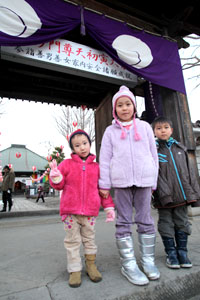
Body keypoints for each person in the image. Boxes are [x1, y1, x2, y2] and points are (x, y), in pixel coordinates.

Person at [99, 85, 160, 286]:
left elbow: (153, 154)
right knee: (124, 220)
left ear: (134, 107)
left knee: (146, 219)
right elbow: (105, 159)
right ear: (114, 109)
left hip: (144, 179)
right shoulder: (110, 132)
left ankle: (148, 261)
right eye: (120, 105)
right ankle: (129, 264)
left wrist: (154, 179)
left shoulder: (144, 127)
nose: (124, 108)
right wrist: (105, 184)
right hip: (121, 182)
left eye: (128, 104)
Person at [49, 129, 115, 288]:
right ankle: (74, 270)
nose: (82, 147)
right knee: (72, 241)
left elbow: (103, 189)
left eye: (84, 143)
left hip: (90, 213)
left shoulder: (96, 167)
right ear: (73, 148)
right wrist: (56, 175)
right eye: (77, 145)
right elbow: (59, 185)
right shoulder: (67, 164)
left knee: (89, 240)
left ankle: (91, 266)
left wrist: (109, 207)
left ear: (89, 144)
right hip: (70, 212)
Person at [152, 116, 200, 269]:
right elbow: (155, 174)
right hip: (164, 197)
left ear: (171, 130)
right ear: (154, 131)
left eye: (166, 127)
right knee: (166, 224)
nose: (163, 131)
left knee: (182, 222)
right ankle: (171, 253)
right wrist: (162, 193)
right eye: (159, 128)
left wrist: (193, 193)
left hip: (182, 195)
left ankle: (182, 252)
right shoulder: (153, 150)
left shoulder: (180, 148)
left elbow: (190, 172)